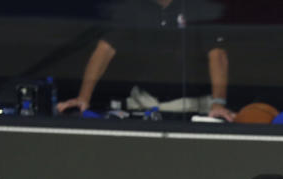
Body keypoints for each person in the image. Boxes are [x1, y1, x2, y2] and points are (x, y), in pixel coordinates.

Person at [57, 0, 234, 120]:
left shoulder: (200, 7)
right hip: (144, 105)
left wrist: (218, 103)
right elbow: (104, 50)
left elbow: (218, 56)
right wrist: (83, 97)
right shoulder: (133, 8)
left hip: (193, 109)